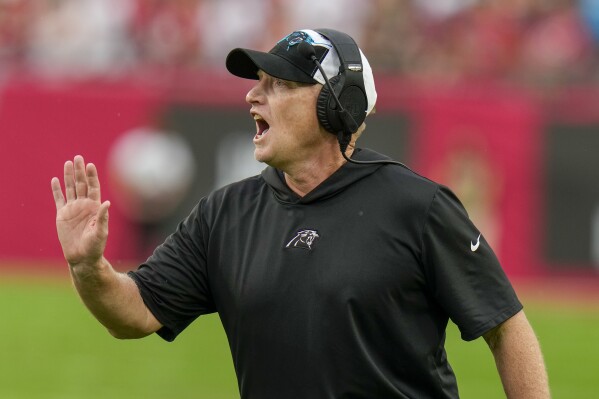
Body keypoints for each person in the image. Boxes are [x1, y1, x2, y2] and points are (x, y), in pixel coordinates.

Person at [51, 28, 550, 398]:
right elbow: (132, 314)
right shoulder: (224, 213)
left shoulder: (419, 207)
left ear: (337, 105)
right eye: (256, 83)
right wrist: (88, 268)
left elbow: (505, 327)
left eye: (278, 84)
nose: (252, 95)